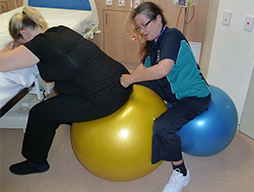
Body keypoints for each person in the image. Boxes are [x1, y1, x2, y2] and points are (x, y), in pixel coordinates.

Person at [0, 6, 132, 175]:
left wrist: (7, 49)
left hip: (107, 98)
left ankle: (36, 162)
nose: (21, 47)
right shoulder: (61, 30)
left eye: (20, 43)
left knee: (40, 113)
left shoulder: (39, 45)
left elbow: (2, 63)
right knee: (64, 89)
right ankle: (73, 119)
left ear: (25, 34)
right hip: (121, 82)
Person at [120, 2, 211, 192]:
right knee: (135, 83)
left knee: (162, 126)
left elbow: (163, 69)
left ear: (158, 18)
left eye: (145, 24)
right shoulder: (154, 43)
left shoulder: (172, 36)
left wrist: (131, 78)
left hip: (192, 96)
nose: (142, 30)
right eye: (139, 27)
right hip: (170, 90)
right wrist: (128, 80)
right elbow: (144, 68)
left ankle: (181, 172)